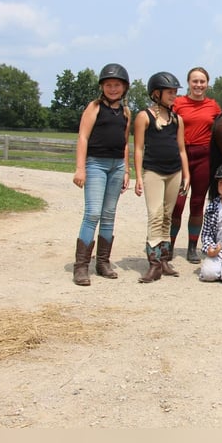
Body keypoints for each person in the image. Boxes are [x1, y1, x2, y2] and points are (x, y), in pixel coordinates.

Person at [71, 63, 132, 286]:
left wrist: (126, 169)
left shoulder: (126, 112)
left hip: (117, 165)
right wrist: (81, 168)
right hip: (96, 164)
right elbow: (83, 137)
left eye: (117, 85)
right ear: (102, 87)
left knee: (109, 214)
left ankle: (103, 262)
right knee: (93, 213)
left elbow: (125, 142)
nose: (113, 88)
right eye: (108, 85)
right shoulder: (94, 107)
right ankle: (81, 266)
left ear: (124, 87)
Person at [134, 72, 190, 284]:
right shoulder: (144, 117)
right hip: (153, 171)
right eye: (170, 92)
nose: (173, 95)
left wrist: (186, 174)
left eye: (175, 92)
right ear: (156, 93)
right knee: (155, 214)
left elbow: (182, 149)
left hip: (174, 171)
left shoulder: (177, 119)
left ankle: (165, 259)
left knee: (168, 215)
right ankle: (154, 263)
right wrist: (138, 176)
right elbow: (138, 149)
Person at [170, 67, 222, 264]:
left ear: (207, 84)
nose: (198, 85)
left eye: (202, 81)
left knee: (198, 203)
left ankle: (193, 246)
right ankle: (170, 244)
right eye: (195, 81)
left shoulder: (213, 106)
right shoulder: (177, 103)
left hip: (203, 157)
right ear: (188, 83)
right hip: (181, 156)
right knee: (177, 204)